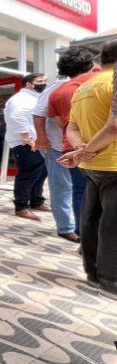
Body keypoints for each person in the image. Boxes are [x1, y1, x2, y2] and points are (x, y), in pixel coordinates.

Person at [58, 39, 117, 299]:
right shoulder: (112, 82)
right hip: (112, 162)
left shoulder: (84, 87)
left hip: (91, 164)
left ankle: (92, 272)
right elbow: (114, 127)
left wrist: (82, 149)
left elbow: (71, 126)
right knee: (111, 223)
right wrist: (86, 150)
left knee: (91, 218)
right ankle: (110, 279)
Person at [36, 47, 96, 241]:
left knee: (78, 190)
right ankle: (67, 228)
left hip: (72, 145)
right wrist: (42, 138)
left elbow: (64, 122)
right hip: (60, 147)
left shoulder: (63, 89)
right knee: (64, 188)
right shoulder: (59, 88)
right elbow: (40, 114)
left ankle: (81, 231)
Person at [3, 73, 50, 221]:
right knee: (28, 174)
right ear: (29, 84)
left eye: (45, 81)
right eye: (40, 81)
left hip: (37, 143)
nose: (44, 83)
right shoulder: (20, 98)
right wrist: (27, 139)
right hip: (25, 144)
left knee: (40, 173)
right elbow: (16, 117)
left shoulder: (35, 98)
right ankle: (21, 206)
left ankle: (36, 201)